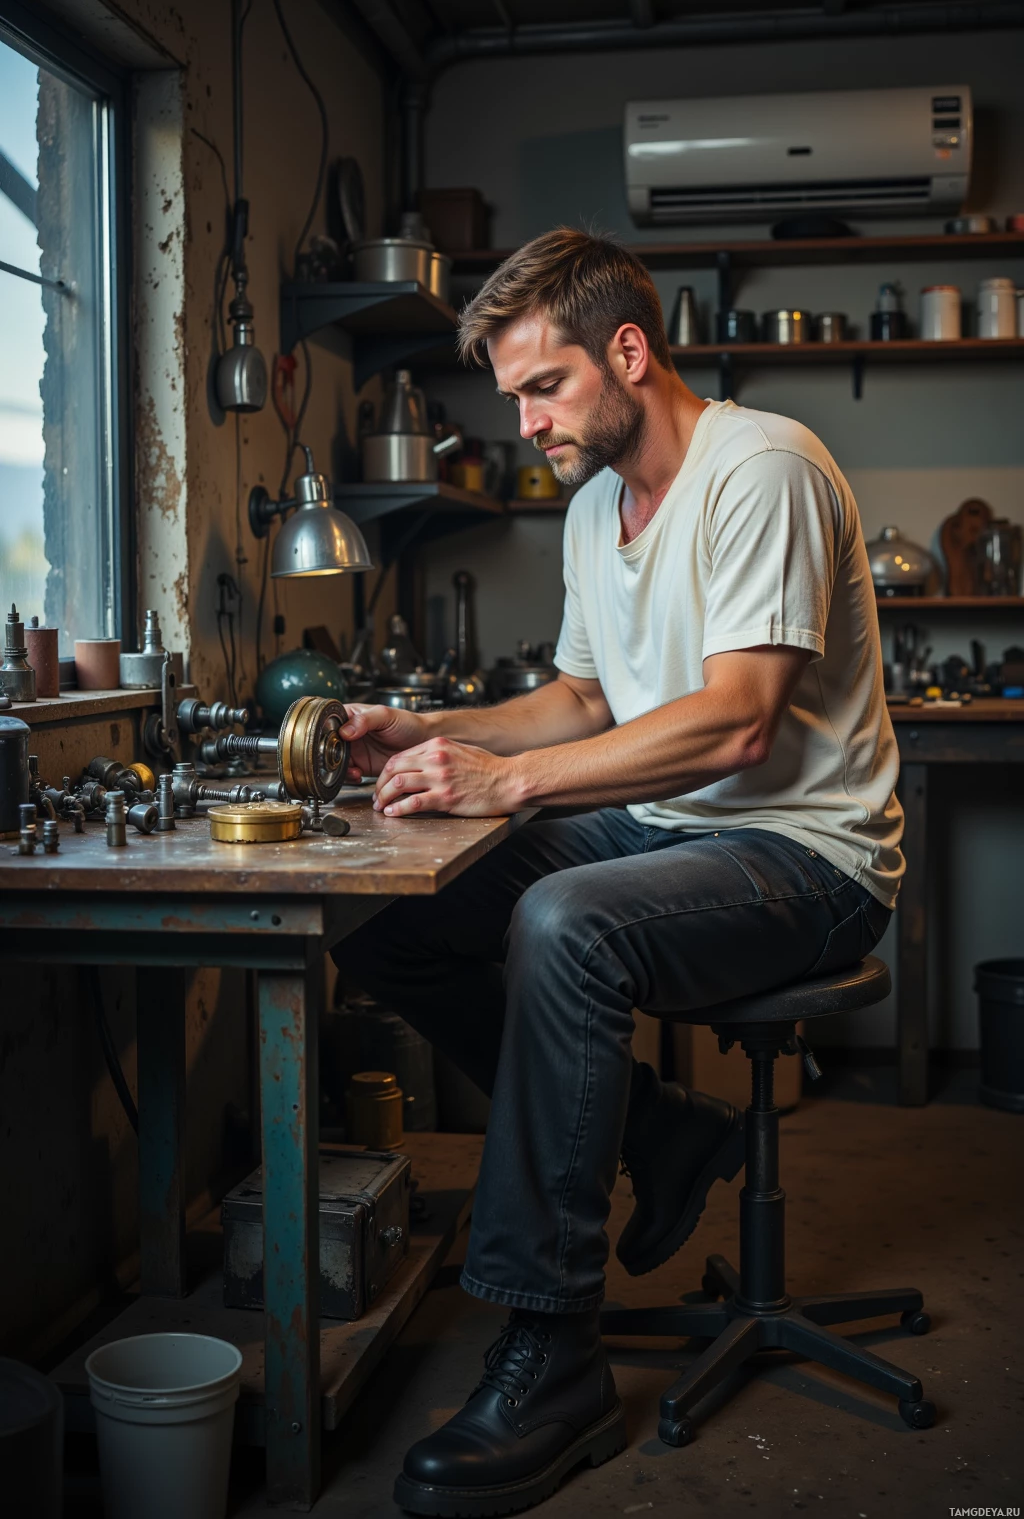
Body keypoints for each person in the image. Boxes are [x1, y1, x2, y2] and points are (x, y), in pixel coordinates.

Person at [334, 228, 903, 1518]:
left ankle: (554, 1355)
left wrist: (512, 783)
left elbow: (741, 720)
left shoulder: (762, 468)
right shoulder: (598, 507)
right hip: (671, 831)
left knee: (564, 920)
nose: (524, 421)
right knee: (382, 916)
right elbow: (583, 700)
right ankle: (662, 1130)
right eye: (515, 396)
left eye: (543, 388)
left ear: (628, 353)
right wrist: (444, 740)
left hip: (806, 858)